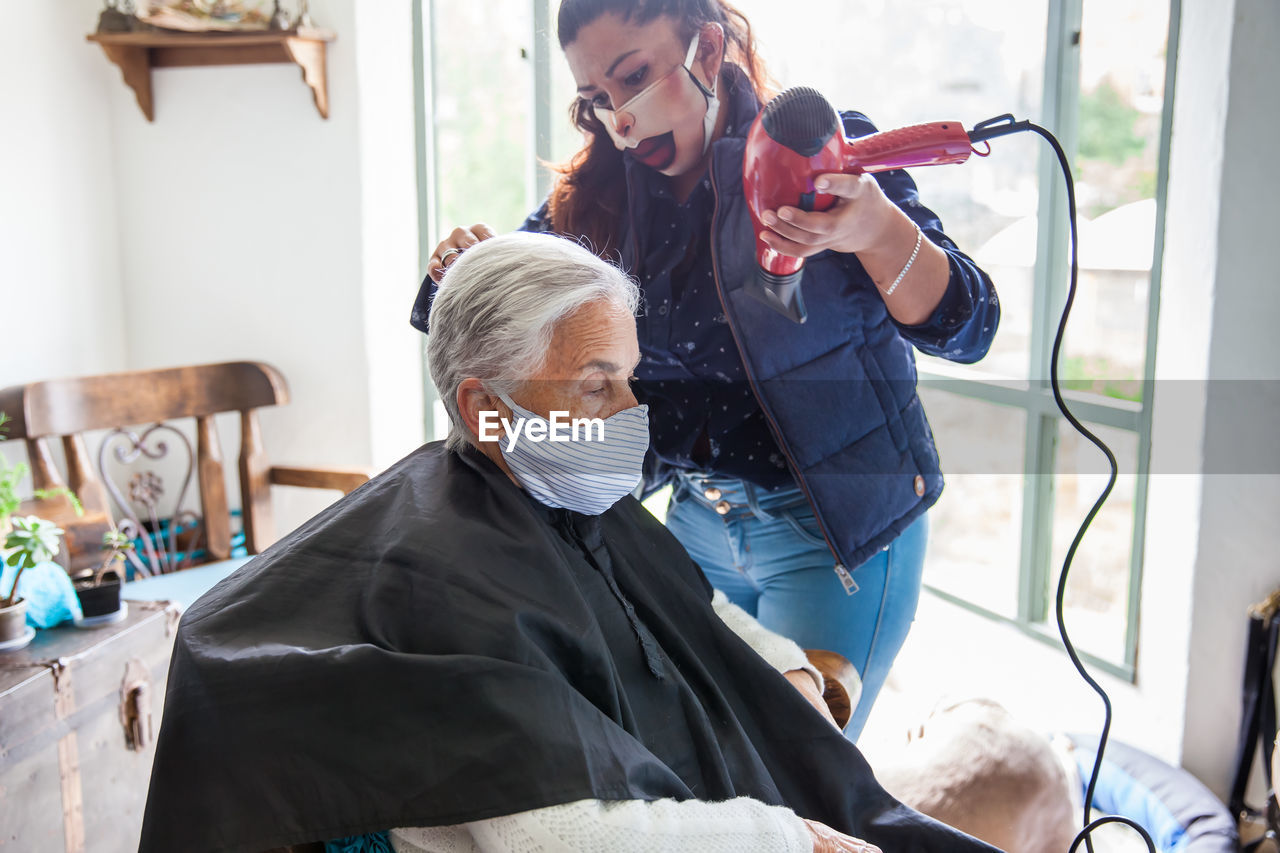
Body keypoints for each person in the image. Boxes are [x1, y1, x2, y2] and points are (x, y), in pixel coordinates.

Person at [140, 233, 998, 853]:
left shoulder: (559, 485)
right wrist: (784, 838)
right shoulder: (439, 573)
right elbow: (554, 832)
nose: (631, 413)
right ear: (483, 408)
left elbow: (679, 611)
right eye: (597, 385)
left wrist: (784, 665)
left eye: (629, 378)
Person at [416, 0, 1001, 739]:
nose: (620, 120)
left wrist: (878, 230)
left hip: (832, 536)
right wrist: (457, 267)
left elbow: (972, 325)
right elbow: (499, 300)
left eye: (633, 78)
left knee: (801, 778)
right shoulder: (603, 198)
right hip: (694, 523)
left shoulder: (818, 157)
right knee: (701, 759)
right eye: (597, 100)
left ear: (709, 48)